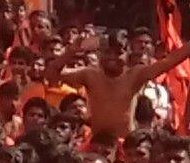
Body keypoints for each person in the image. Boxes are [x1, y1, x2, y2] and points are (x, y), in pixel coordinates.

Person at [46, 29, 190, 137]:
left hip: (125, 146)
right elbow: (51, 74)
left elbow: (168, 62)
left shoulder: (135, 75)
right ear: (100, 54)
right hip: (96, 143)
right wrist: (70, 52)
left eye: (118, 53)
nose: (112, 57)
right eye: (108, 52)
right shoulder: (90, 74)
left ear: (127, 54)